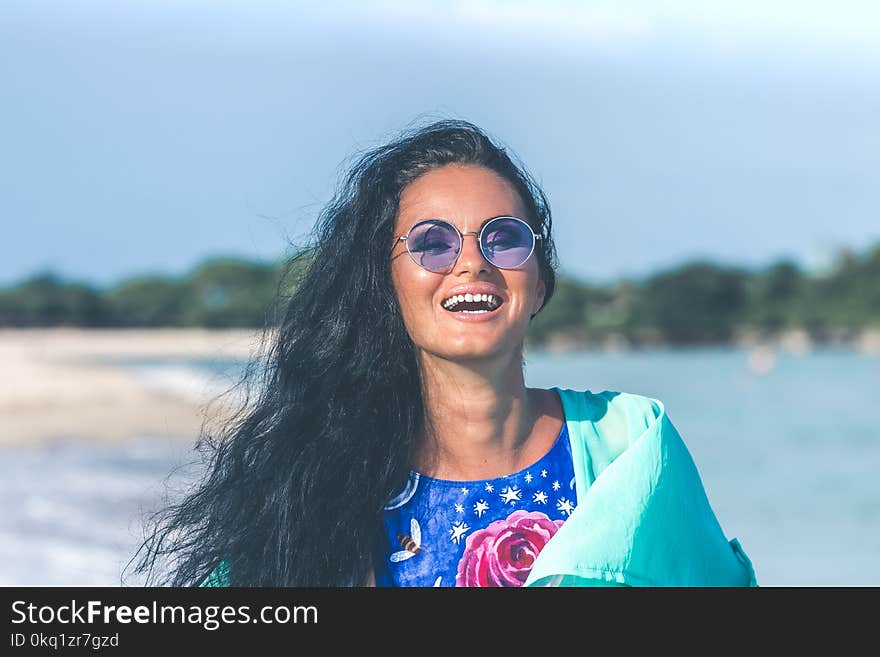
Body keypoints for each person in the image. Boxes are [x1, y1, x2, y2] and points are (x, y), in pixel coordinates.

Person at [130, 118, 757, 587]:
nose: (471, 264)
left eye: (503, 239)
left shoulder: (630, 445)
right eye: (432, 243)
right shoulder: (317, 478)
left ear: (539, 279)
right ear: (387, 283)